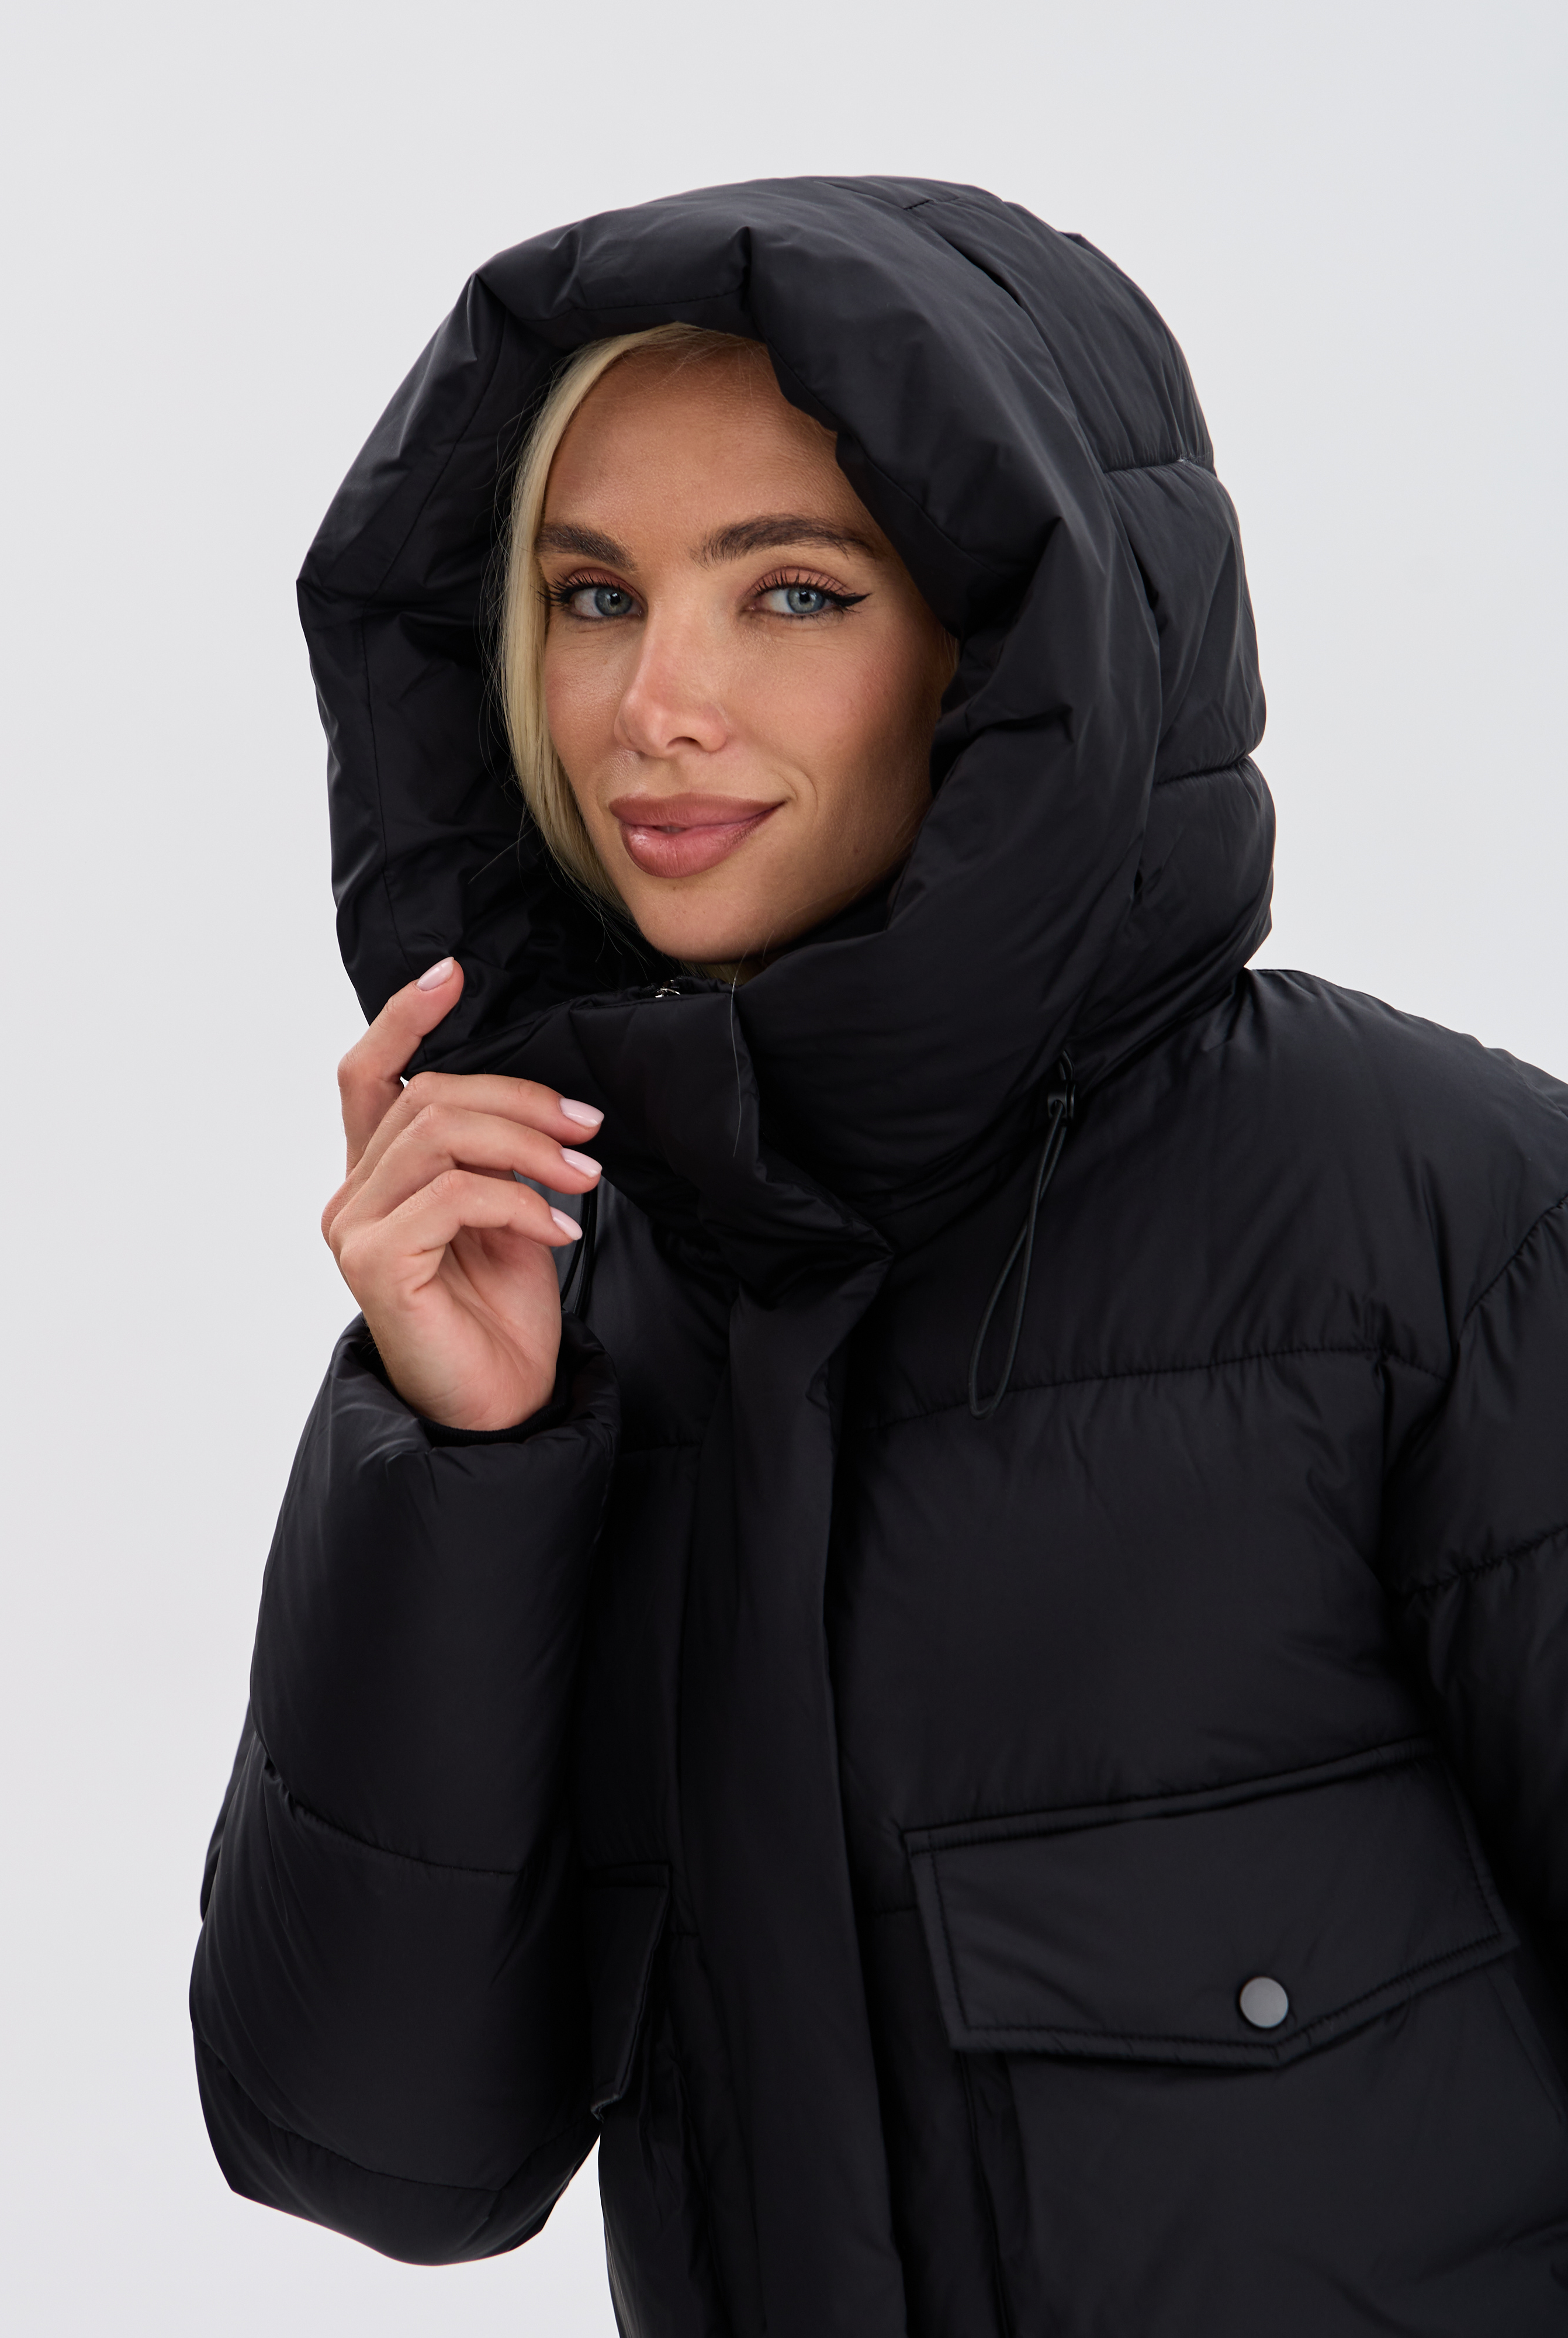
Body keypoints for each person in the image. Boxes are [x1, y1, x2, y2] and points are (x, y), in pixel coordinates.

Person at [189, 180, 1568, 2337]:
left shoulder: (1441, 1225)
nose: (654, 704)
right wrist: (464, 1464)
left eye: (796, 594)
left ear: (1018, 643)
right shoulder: (580, 1289)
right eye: (591, 595)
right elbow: (380, 2153)